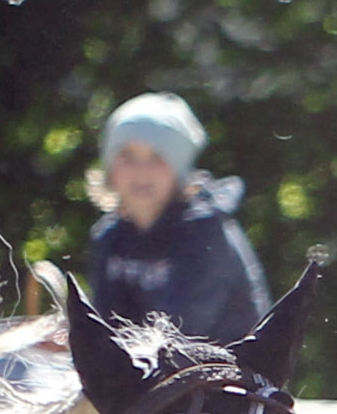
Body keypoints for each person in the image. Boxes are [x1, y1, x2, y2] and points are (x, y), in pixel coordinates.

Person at [83, 92, 268, 343]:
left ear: (179, 169)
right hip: (149, 372)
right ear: (110, 167)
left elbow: (180, 334)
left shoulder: (205, 233)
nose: (141, 172)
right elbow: (105, 325)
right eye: (127, 157)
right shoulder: (111, 237)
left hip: (226, 374)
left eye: (157, 157)